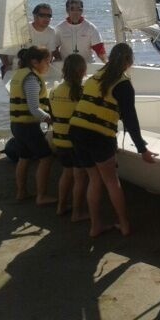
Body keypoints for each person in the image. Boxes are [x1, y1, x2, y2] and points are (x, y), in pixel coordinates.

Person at [69, 43, 157, 237]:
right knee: (110, 181)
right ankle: (124, 225)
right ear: (129, 61)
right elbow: (131, 120)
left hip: (76, 131)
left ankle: (95, 226)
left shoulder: (96, 76)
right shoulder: (123, 84)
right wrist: (142, 149)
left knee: (94, 179)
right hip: (98, 136)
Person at [9, 46, 56, 205]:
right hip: (28, 127)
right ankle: (41, 196)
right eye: (47, 62)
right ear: (35, 62)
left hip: (17, 125)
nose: (48, 65)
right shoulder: (31, 79)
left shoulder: (19, 74)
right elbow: (34, 109)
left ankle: (21, 192)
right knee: (46, 158)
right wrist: (50, 119)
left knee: (24, 157)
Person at [49, 54, 89, 221]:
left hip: (59, 140)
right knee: (80, 177)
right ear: (82, 71)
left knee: (66, 173)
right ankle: (77, 213)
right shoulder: (82, 92)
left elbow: (52, 115)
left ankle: (61, 206)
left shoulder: (54, 91)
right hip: (76, 142)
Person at [0, 3, 58, 77]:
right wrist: (6, 65)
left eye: (49, 16)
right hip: (14, 63)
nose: (46, 19)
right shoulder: (22, 29)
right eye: (42, 15)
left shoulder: (51, 31)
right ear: (34, 16)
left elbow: (49, 55)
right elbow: (1, 49)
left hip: (36, 65)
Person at [55, 0, 107, 64]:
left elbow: (99, 48)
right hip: (66, 65)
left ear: (82, 11)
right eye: (72, 9)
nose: (75, 12)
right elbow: (54, 48)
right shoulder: (59, 28)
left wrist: (106, 62)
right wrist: (59, 60)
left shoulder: (90, 27)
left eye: (79, 9)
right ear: (67, 10)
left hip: (87, 64)